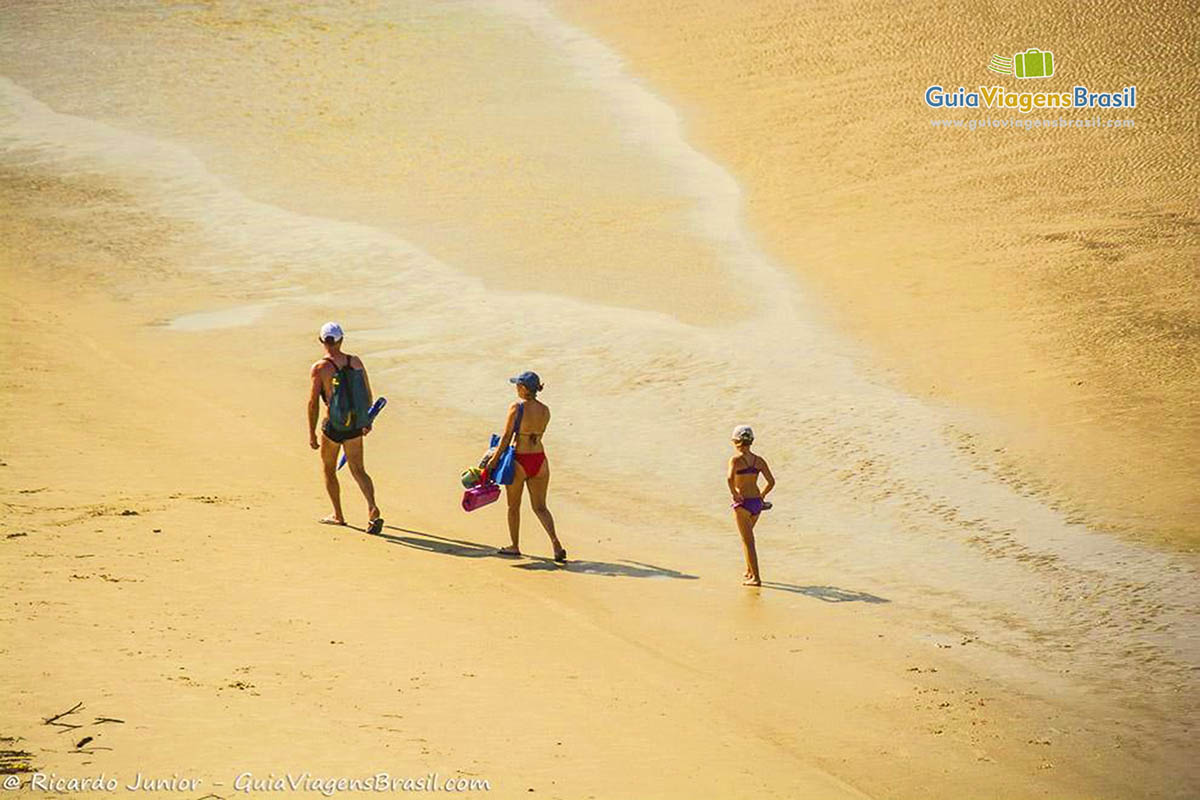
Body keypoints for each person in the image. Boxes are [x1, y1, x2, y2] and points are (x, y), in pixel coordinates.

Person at [306, 322, 383, 535]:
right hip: (355, 426)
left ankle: (338, 515)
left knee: (329, 470)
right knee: (359, 470)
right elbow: (367, 393)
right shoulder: (355, 362)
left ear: (322, 340)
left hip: (332, 426)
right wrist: (366, 421)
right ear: (341, 340)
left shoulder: (320, 368)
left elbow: (313, 403)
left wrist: (312, 433)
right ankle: (372, 507)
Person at [486, 371, 566, 562]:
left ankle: (514, 546)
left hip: (520, 460)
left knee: (513, 506)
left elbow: (506, 437)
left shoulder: (516, 407)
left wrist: (494, 459)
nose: (516, 389)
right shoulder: (545, 410)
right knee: (540, 507)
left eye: (517, 386)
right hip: (539, 460)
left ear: (523, 388)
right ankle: (556, 544)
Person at [727, 424, 775, 586]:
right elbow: (771, 482)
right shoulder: (759, 460)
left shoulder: (736, 460)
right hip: (756, 503)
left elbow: (729, 478)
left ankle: (756, 578)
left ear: (735, 441)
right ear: (751, 441)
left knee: (748, 541)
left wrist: (735, 493)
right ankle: (749, 571)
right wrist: (761, 496)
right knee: (747, 538)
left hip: (743, 504)